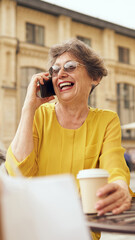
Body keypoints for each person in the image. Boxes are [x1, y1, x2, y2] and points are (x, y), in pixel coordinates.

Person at [5, 38, 132, 240]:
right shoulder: (38, 115)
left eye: (70, 66)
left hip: (81, 230)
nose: (60, 74)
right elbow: (16, 171)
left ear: (95, 77)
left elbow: (113, 164)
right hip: (33, 227)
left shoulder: (107, 120)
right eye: (54, 71)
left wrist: (120, 186)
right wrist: (28, 107)